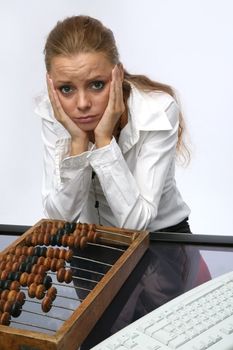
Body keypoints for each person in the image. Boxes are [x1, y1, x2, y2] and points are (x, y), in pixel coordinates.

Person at [35, 15, 191, 233]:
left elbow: (137, 223)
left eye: (97, 84)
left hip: (161, 238)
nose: (82, 104)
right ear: (51, 84)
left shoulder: (157, 110)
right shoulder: (54, 113)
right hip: (93, 240)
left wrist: (104, 141)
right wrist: (78, 143)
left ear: (117, 74)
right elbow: (59, 218)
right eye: (66, 89)